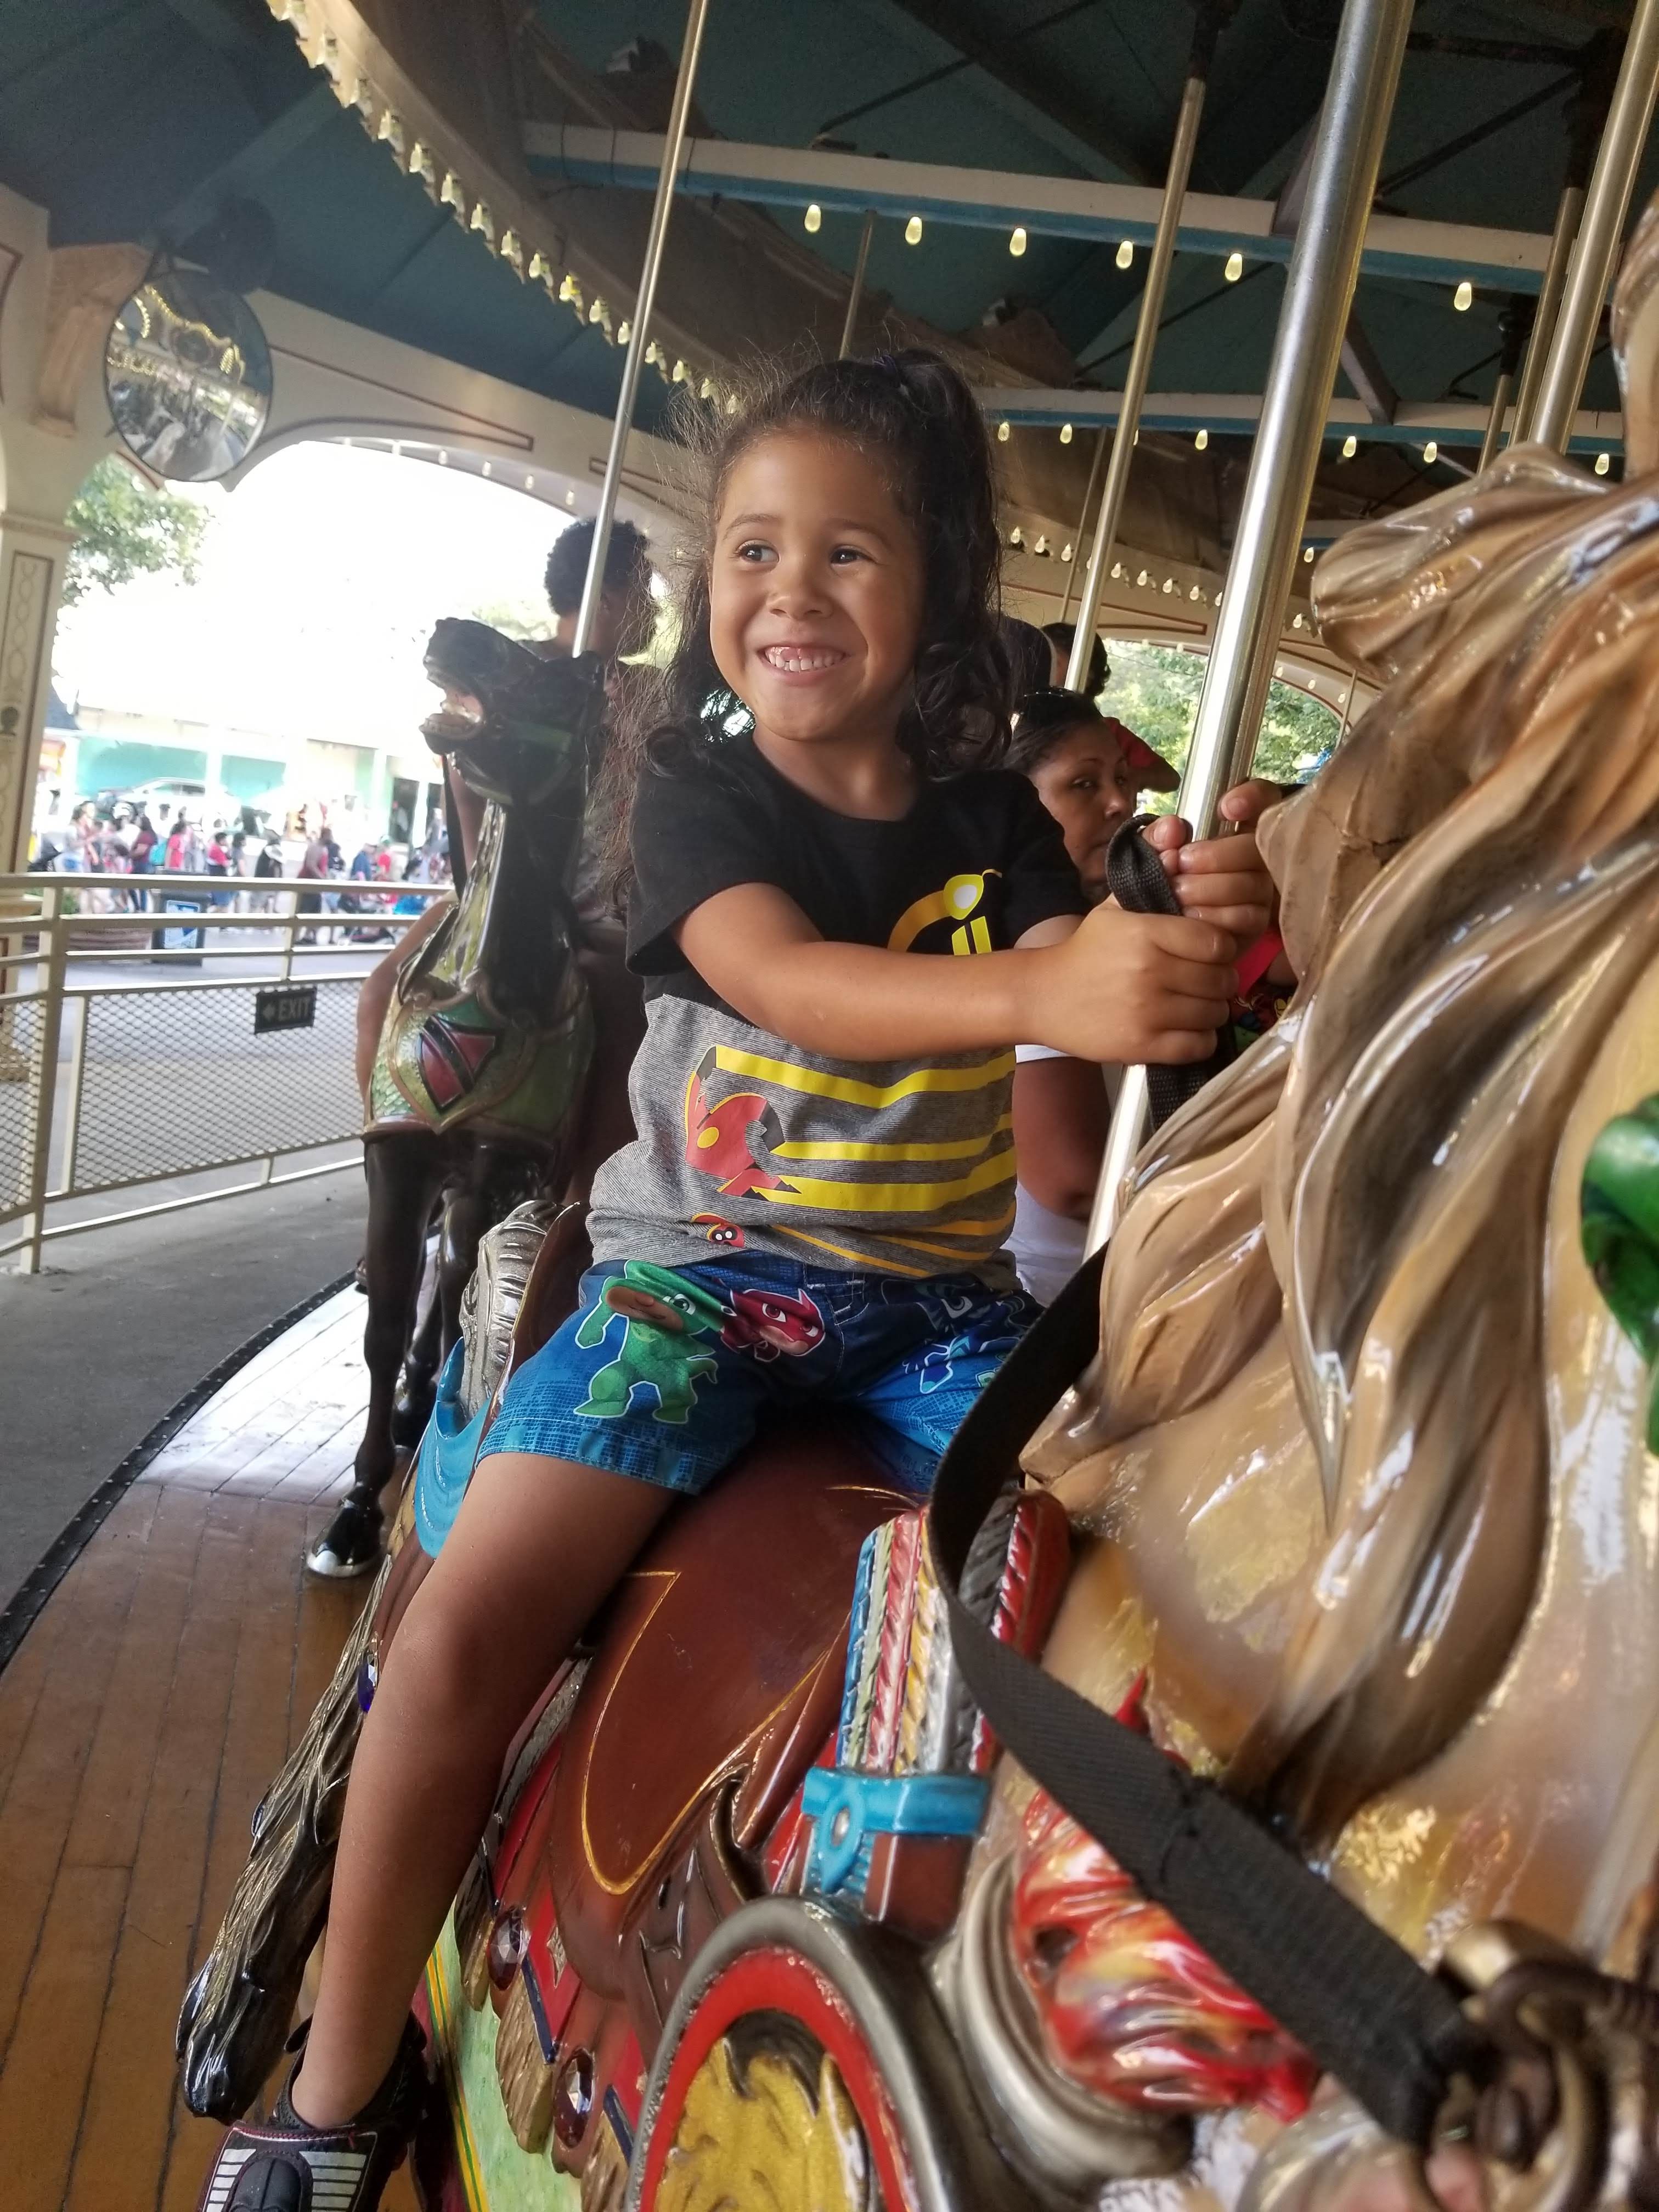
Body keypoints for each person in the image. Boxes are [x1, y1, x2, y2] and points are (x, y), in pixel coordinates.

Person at [199, 347, 1271, 2207]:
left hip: (936, 1306)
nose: (787, 592)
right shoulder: (699, 792)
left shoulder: (993, 817)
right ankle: (339, 2074)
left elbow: (1084, 953)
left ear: (934, 581)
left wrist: (1173, 908)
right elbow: (786, 979)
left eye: (846, 555)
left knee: (1145, 1587)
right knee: (462, 1627)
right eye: (754, 551)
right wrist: (1047, 992)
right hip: (701, 1278)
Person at [1006, 687, 1286, 1304]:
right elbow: (1078, 1180)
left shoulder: (1118, 924)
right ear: (1021, 809)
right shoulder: (1029, 945)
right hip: (1060, 1299)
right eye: (1084, 786)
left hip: (1131, 1272)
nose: (1120, 802)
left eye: (1123, 780)